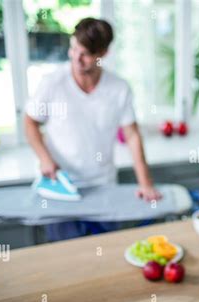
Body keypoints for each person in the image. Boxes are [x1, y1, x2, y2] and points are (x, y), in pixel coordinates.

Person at [25, 18, 161, 241]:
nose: (76, 58)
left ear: (103, 53)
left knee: (104, 258)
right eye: (73, 49)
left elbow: (132, 135)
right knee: (66, 262)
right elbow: (30, 122)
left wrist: (145, 182)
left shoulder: (119, 89)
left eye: (85, 53)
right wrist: (44, 158)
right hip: (61, 190)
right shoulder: (52, 83)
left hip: (103, 187)